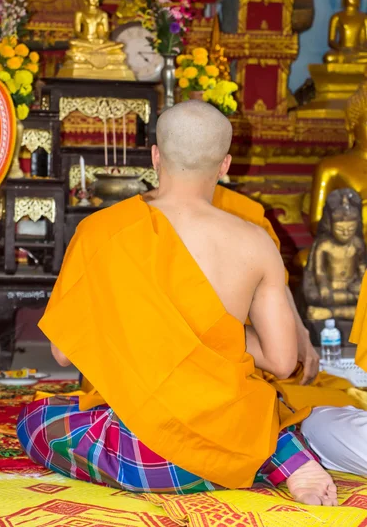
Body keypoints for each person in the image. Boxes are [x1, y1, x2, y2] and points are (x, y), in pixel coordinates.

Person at [17, 101, 337, 506]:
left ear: (155, 156)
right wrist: (213, 331)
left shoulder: (101, 231)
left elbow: (64, 354)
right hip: (229, 434)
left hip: (141, 453)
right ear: (224, 165)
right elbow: (281, 361)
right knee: (258, 406)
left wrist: (145, 329)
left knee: (35, 422)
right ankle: (278, 453)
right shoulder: (255, 241)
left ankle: (259, 454)